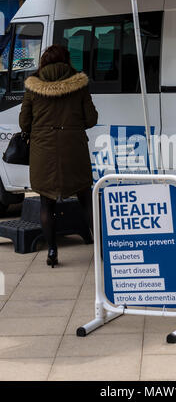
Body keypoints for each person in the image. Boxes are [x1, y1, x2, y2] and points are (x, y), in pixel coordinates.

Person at [19, 44, 98, 267]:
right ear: (67, 60)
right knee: (85, 199)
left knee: (46, 203)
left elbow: (24, 122)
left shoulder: (33, 87)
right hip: (74, 149)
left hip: (43, 152)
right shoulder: (79, 85)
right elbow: (91, 119)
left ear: (44, 61)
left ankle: (52, 250)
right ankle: (102, 249)